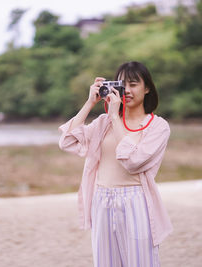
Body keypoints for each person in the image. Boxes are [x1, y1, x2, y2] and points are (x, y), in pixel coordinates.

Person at [58, 61, 173, 267]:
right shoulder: (103, 122)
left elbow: (133, 161)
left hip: (136, 200)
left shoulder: (158, 126)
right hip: (101, 199)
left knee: (141, 262)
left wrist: (115, 116)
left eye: (133, 84)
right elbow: (67, 141)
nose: (126, 90)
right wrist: (89, 103)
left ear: (147, 88)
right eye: (121, 84)